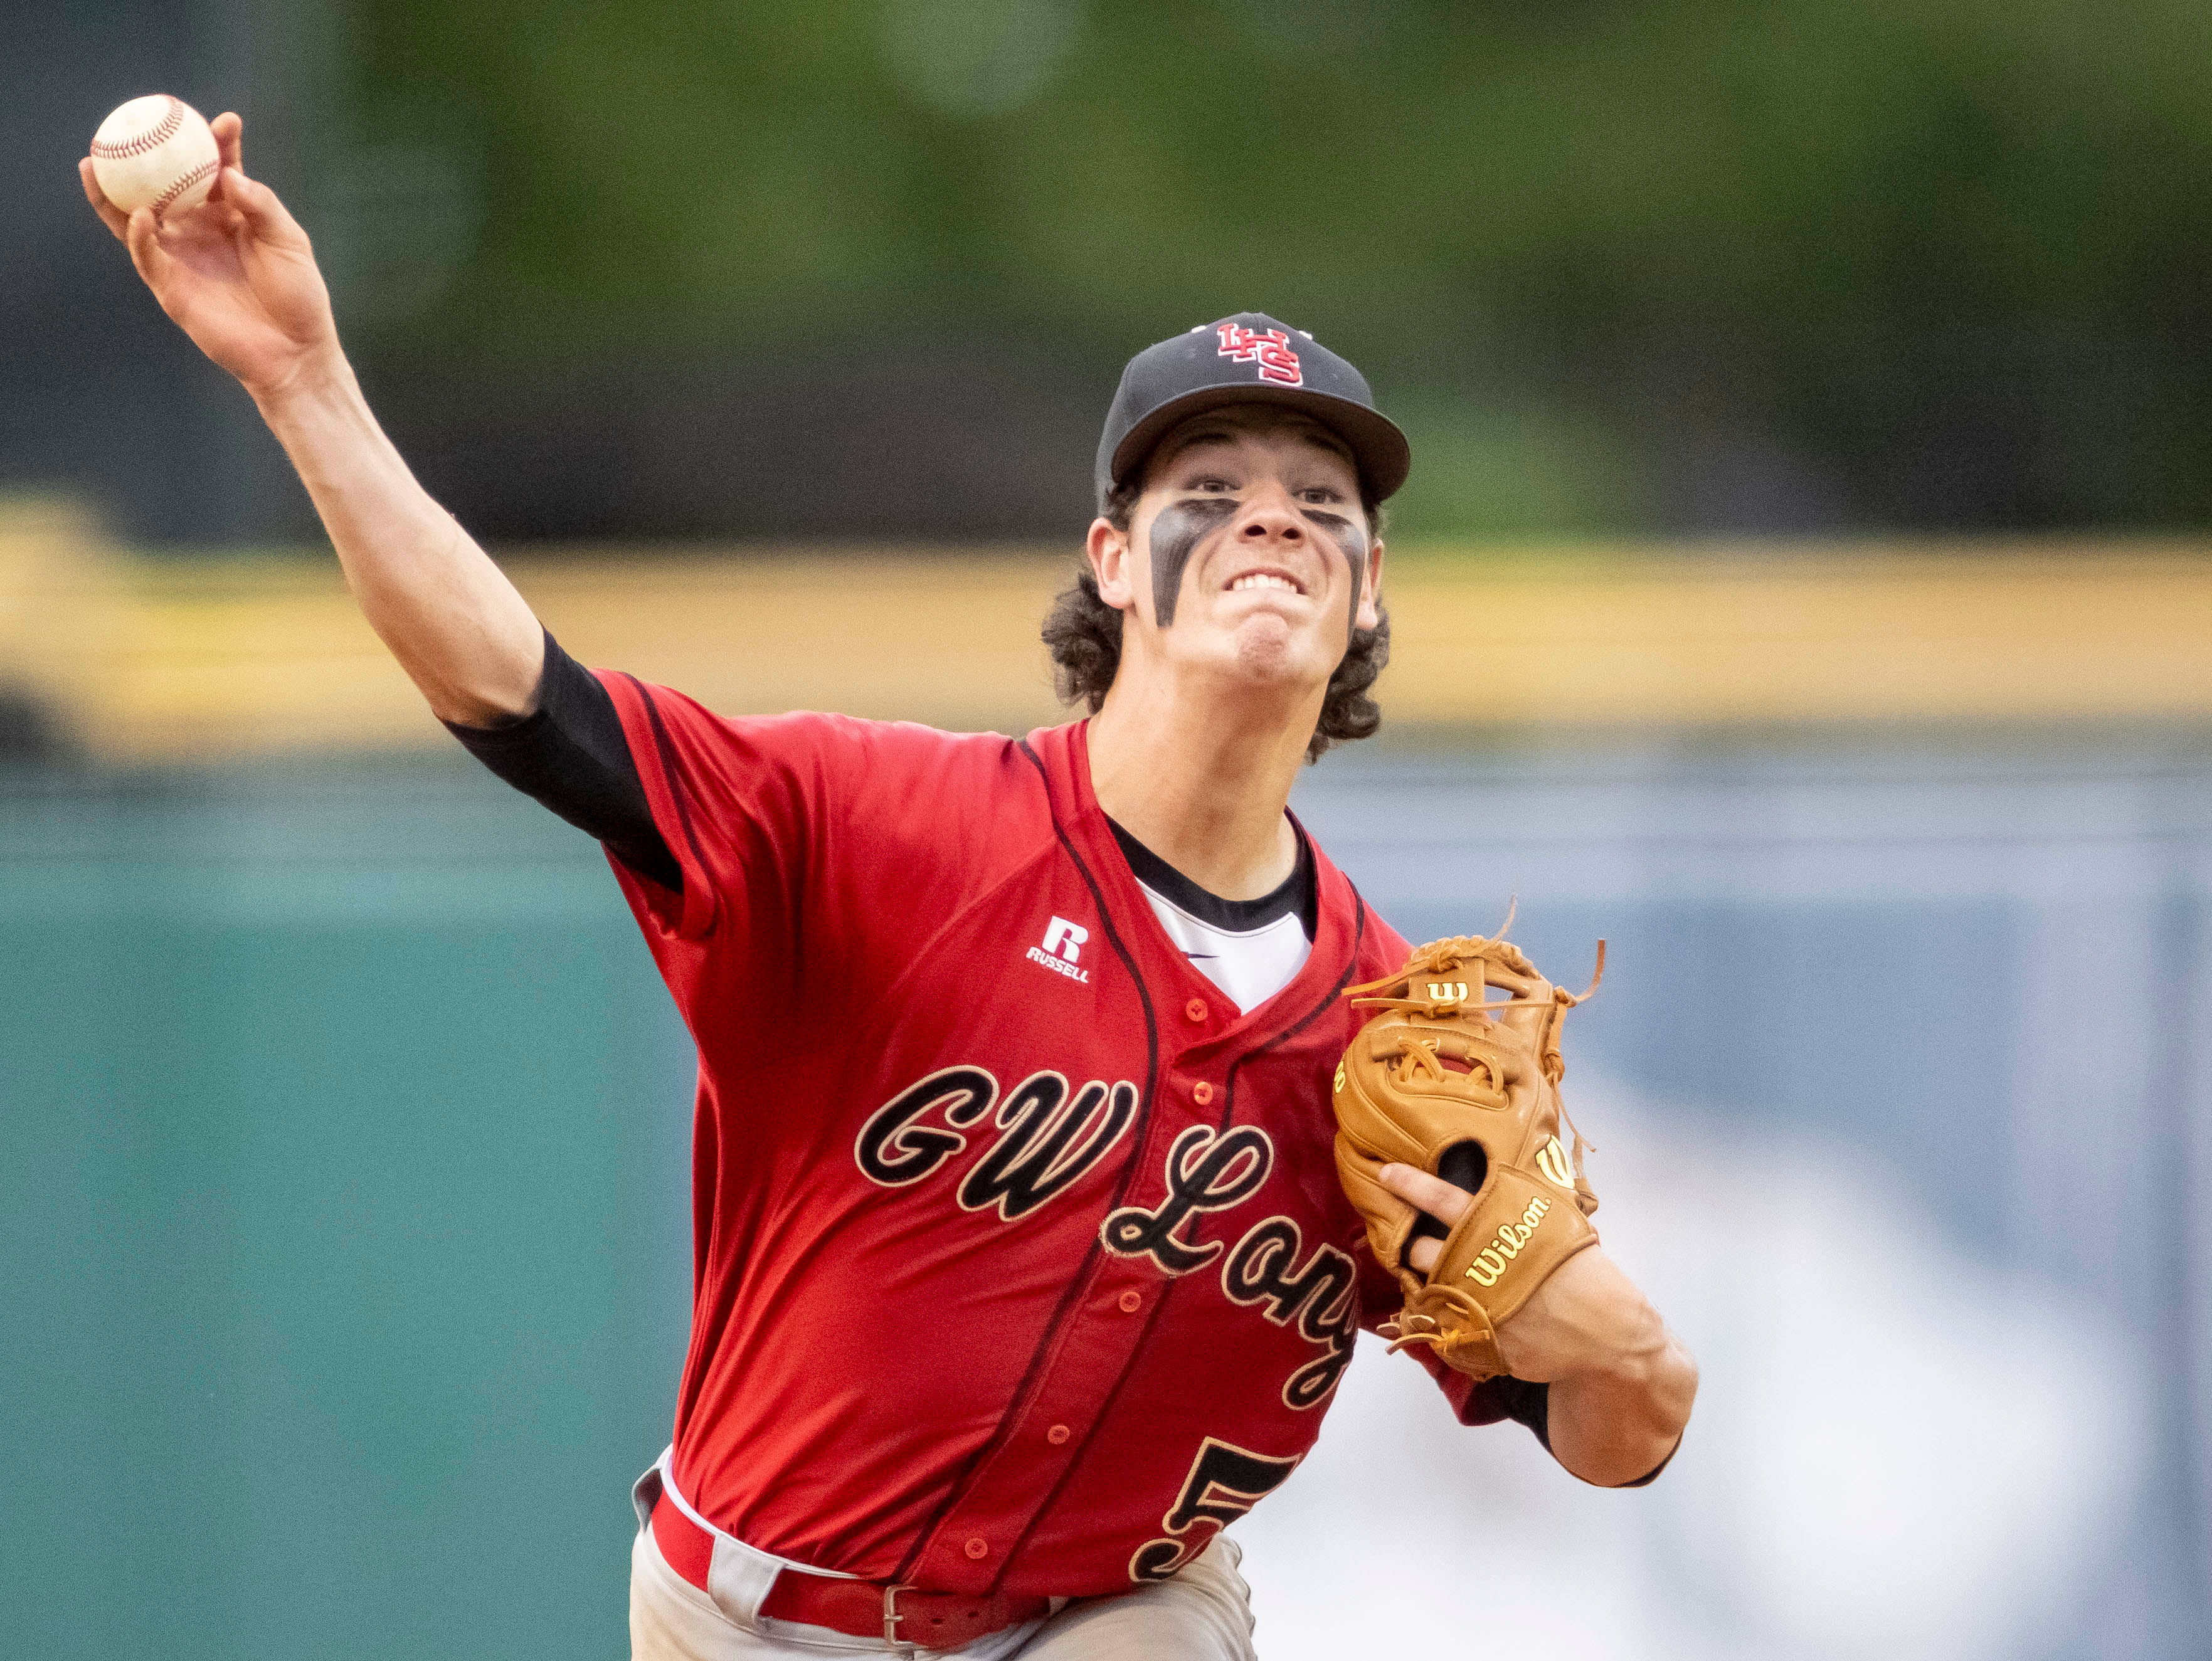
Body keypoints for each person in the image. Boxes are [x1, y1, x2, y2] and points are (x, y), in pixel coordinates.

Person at [83, 115, 1697, 1660]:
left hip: (1112, 1610)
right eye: (1209, 483)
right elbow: (520, 693)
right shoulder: (882, 823)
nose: (1272, 509)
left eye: (1323, 500)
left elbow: (1625, 1434)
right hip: (749, 1613)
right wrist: (304, 380)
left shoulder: (1390, 1039)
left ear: (1363, 594)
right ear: (1114, 560)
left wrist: (1594, 1328)